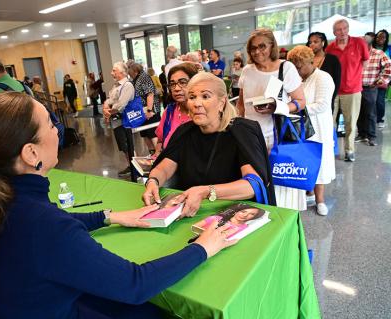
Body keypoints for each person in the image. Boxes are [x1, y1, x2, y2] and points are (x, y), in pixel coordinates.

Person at [0, 92, 237, 318]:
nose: (57, 131)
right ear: (30, 152)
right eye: (50, 124)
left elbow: (55, 225)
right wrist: (202, 247)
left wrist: (112, 217)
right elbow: (135, 284)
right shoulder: (41, 224)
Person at [143, 72, 276, 217]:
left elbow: (252, 185)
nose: (197, 103)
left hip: (234, 214)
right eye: (192, 97)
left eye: (205, 96)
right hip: (190, 212)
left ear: (222, 102)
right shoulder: (184, 132)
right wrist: (153, 181)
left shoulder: (242, 131)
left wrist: (205, 191)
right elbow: (164, 167)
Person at [236, 28, 306, 211]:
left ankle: (284, 217)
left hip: (276, 136)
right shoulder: (247, 70)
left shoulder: (286, 68)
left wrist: (278, 107)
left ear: (272, 46)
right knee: (256, 181)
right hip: (250, 137)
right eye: (253, 48)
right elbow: (242, 105)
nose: (257, 52)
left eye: (262, 46)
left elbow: (300, 102)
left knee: (280, 182)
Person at [288, 45, 336, 216]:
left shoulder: (323, 78)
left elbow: (322, 105)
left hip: (319, 127)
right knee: (306, 162)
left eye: (299, 67)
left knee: (319, 163)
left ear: (310, 61)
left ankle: (320, 200)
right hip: (303, 128)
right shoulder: (300, 80)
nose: (298, 71)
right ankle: (309, 193)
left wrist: (295, 107)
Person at [325, 19, 369, 162]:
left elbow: (365, 62)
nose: (342, 32)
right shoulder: (330, 48)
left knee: (350, 122)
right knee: (329, 122)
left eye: (344, 28)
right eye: (338, 30)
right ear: (334, 33)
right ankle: (330, 149)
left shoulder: (359, 43)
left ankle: (349, 150)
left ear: (348, 28)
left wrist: (353, 76)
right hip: (333, 91)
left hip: (352, 90)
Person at [154, 63, 198, 157]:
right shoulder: (170, 111)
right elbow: (160, 141)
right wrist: (157, 155)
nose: (176, 89)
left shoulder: (202, 113)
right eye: (172, 84)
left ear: (195, 82)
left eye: (182, 82)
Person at [356, 32, 391, 146]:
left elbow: (388, 67)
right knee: (359, 112)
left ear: (369, 45)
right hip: (356, 88)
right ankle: (362, 134)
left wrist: (380, 81)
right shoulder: (357, 54)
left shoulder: (378, 53)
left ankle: (372, 136)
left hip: (370, 87)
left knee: (370, 113)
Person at [103, 62, 136, 177]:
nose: (112, 73)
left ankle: (134, 167)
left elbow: (121, 104)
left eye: (114, 70)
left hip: (125, 121)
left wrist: (109, 111)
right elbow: (109, 99)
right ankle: (131, 165)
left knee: (127, 145)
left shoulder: (127, 85)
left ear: (122, 72)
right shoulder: (116, 85)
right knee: (123, 146)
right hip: (117, 121)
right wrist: (106, 106)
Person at [128, 62, 161, 154]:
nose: (128, 73)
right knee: (145, 133)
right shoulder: (136, 79)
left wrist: (149, 111)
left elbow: (150, 94)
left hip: (150, 110)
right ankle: (152, 154)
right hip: (142, 111)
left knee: (153, 133)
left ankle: (159, 155)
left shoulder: (144, 77)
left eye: (129, 71)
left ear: (135, 71)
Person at [306, 32, 341, 109]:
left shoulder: (332, 59)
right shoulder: (306, 59)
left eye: (315, 42)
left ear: (323, 43)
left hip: (326, 98)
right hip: (308, 99)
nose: (312, 44)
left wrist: (331, 98)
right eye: (310, 42)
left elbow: (337, 81)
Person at [373, 29, 391, 129]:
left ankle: (380, 119)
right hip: (371, 78)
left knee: (380, 100)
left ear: (386, 39)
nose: (380, 39)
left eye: (383, 37)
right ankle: (373, 118)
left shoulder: (388, 49)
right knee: (371, 100)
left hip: (383, 79)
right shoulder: (371, 48)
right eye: (379, 36)